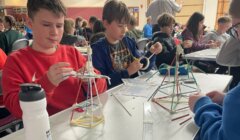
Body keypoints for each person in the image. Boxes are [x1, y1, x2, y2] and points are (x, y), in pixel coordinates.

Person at [2, 0, 107, 119]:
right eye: (46, 25)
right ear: (30, 23)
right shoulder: (15, 61)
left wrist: (91, 81)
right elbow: (16, 109)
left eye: (59, 25)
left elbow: (102, 88)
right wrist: (46, 84)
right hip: (45, 126)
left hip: (81, 121)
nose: (55, 32)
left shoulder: (72, 53)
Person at [189, 1, 240, 139]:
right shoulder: (193, 33)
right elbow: (197, 45)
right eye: (201, 23)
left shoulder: (235, 98)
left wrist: (202, 106)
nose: (236, 34)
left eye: (235, 28)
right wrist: (226, 98)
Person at [91, 0, 162, 88]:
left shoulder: (128, 42)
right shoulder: (98, 49)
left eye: (125, 26)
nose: (124, 30)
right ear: (106, 23)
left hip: (132, 92)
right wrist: (127, 72)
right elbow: (101, 83)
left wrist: (152, 52)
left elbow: (142, 65)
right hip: (113, 96)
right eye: (120, 26)